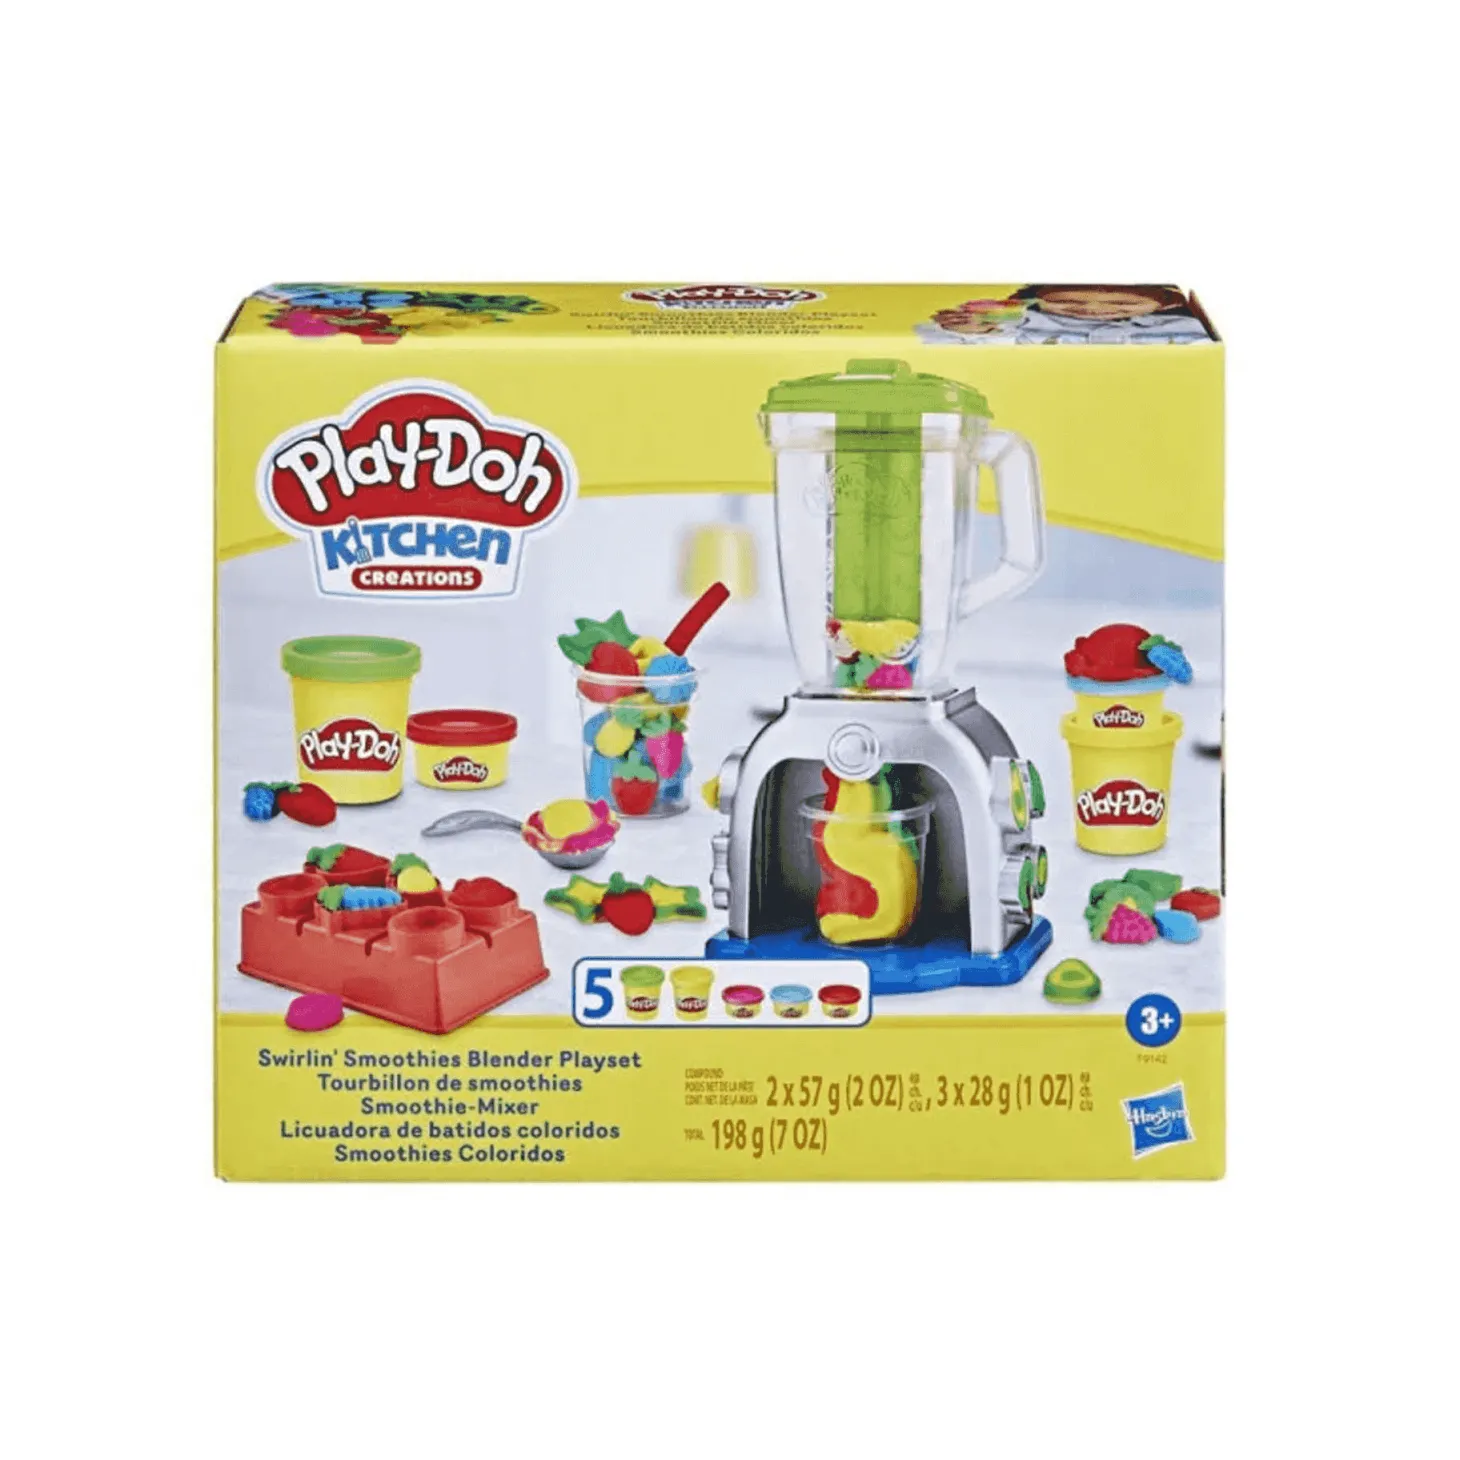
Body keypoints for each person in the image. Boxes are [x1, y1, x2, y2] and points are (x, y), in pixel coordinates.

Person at [917, 284, 1210, 345]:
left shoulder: (1183, 329)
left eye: (1121, 304)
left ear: (1167, 305)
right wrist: (975, 331)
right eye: (1066, 303)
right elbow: (925, 337)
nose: (1092, 310)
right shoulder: (1018, 322)